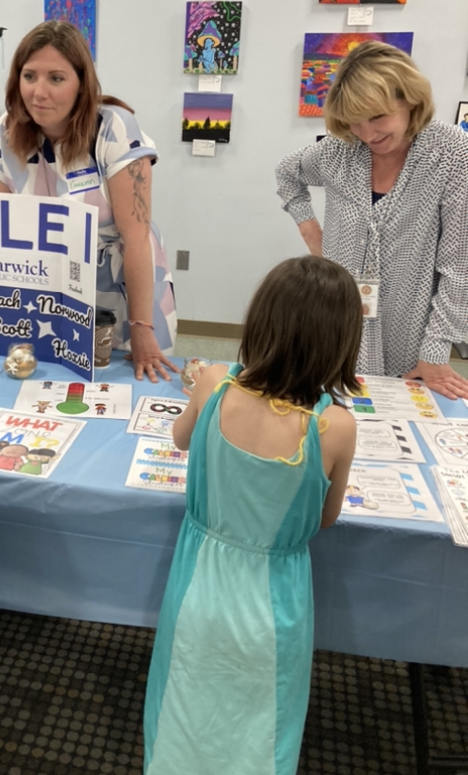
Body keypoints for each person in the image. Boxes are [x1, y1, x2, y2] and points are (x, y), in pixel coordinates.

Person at [143, 255, 360, 775]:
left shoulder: (215, 384)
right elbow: (325, 519)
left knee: (180, 713)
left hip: (197, 592)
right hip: (275, 609)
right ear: (340, 343)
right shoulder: (334, 427)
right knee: (262, 732)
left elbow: (179, 438)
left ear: (259, 321)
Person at [0, 21, 178, 383]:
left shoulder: (114, 129)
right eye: (29, 76)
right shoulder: (4, 134)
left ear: (81, 84)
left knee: (131, 382)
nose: (39, 92)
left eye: (56, 78)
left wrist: (140, 325)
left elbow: (135, 240)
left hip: (123, 289)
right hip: (50, 290)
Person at [276, 40, 468, 399]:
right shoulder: (339, 150)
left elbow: (460, 266)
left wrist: (436, 351)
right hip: (336, 320)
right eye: (354, 122)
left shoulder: (452, 154)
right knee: (329, 425)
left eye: (378, 117)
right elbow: (287, 173)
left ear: (410, 99)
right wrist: (309, 229)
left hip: (409, 330)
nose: (368, 135)